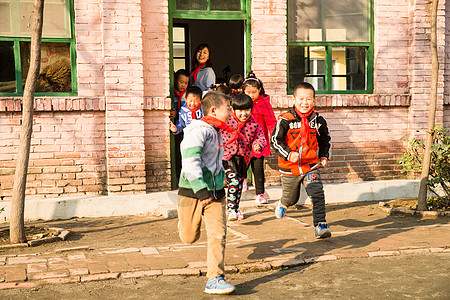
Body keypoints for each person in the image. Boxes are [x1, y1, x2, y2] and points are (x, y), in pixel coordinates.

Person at [177, 91, 235, 295]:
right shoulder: (198, 130)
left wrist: (224, 169)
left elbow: (213, 159)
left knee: (218, 234)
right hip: (193, 191)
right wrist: (201, 191)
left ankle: (215, 278)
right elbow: (191, 161)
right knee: (188, 236)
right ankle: (185, 222)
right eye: (227, 108)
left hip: (216, 193)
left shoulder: (217, 130)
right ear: (213, 110)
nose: (230, 112)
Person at [270, 82, 332, 239]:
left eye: (309, 99)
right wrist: (289, 154)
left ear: (314, 101)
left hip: (310, 165)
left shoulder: (319, 121)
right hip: (289, 167)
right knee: (292, 199)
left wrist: (324, 156)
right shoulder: (285, 120)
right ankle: (283, 203)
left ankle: (320, 225)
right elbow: (275, 141)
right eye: (301, 99)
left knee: (316, 192)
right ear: (294, 99)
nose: (305, 103)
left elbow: (325, 140)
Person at [222, 94, 267, 221]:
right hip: (227, 158)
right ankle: (230, 209)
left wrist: (258, 144)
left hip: (243, 159)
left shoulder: (253, 123)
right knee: (234, 181)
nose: (244, 113)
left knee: (240, 185)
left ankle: (236, 208)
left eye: (247, 110)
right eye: (240, 110)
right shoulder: (226, 120)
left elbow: (260, 136)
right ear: (233, 109)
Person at [243, 72, 277, 205]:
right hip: (243, 141)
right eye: (248, 92)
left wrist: (275, 137)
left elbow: (271, 122)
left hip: (259, 141)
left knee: (258, 168)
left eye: (254, 92)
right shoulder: (241, 103)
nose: (251, 95)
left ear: (259, 91)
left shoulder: (264, 104)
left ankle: (260, 193)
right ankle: (243, 181)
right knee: (241, 165)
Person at [170, 69, 190, 182]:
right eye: (181, 82)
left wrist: (177, 113)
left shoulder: (188, 95)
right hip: (175, 128)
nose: (183, 85)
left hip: (185, 128)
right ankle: (177, 175)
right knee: (177, 152)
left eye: (186, 83)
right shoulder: (171, 93)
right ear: (175, 80)